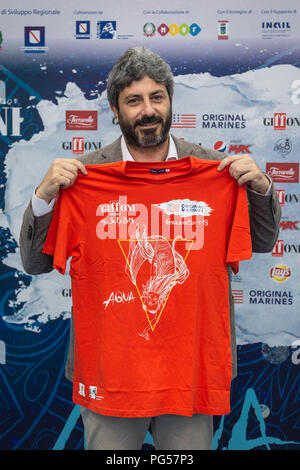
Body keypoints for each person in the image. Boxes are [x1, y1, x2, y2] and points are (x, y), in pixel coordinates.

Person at [19, 47, 281, 450]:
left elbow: (260, 242)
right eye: (134, 100)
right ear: (115, 109)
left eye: (157, 97)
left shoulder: (216, 170)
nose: (148, 110)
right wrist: (43, 196)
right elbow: (35, 261)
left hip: (189, 370)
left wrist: (260, 189)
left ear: (170, 101)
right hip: (112, 373)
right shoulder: (86, 175)